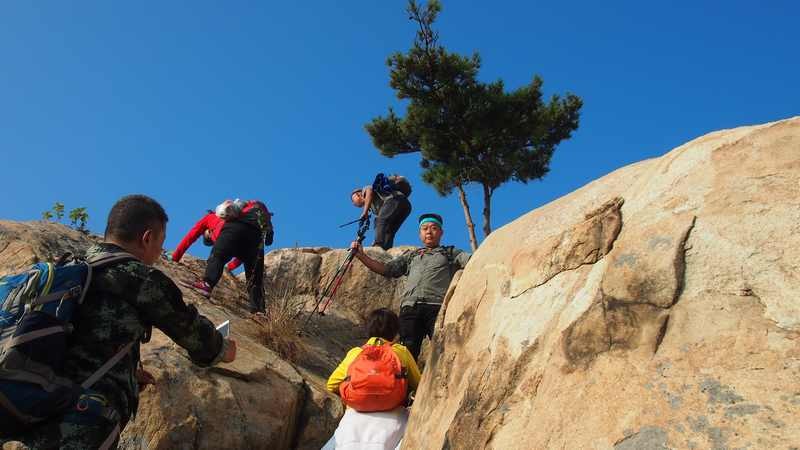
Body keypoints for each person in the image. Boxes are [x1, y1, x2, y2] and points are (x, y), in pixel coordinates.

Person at [0, 194, 237, 449]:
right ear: (146, 238)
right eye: (160, 243)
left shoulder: (72, 269)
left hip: (31, 406)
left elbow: (71, 337)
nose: (159, 253)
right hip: (78, 421)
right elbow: (195, 336)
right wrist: (223, 349)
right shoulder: (142, 278)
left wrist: (126, 373)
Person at [350, 213, 470, 360]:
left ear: (441, 232)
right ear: (420, 233)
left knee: (442, 351)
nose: (429, 232)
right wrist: (361, 256)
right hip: (410, 308)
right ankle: (404, 382)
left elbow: (472, 260)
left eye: (434, 228)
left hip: (437, 307)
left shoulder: (451, 253)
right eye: (425, 228)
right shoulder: (411, 256)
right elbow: (387, 270)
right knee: (406, 353)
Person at [323, 308, 420, 450]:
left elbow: (331, 385)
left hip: (353, 421)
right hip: (395, 420)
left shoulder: (356, 353)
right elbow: (421, 385)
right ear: (394, 332)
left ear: (368, 329)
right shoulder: (401, 352)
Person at [189, 200, 274, 314]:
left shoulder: (214, 220)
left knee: (217, 256)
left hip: (237, 229)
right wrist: (269, 231)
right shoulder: (245, 209)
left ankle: (207, 284)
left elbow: (190, 237)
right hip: (256, 236)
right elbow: (242, 255)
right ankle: (259, 310)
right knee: (255, 279)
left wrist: (174, 257)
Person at [351, 176, 411, 250]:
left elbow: (369, 191)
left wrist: (365, 212)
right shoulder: (373, 208)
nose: (353, 204)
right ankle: (385, 249)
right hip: (406, 207)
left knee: (379, 220)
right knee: (389, 229)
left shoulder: (365, 189)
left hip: (395, 199)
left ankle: (378, 245)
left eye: (353, 200)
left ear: (358, 194)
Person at [170, 209, 242, 272]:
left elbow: (189, 238)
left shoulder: (209, 218)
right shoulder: (227, 214)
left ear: (207, 233)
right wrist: (229, 267)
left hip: (232, 234)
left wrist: (175, 257)